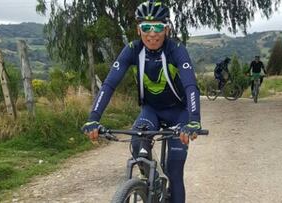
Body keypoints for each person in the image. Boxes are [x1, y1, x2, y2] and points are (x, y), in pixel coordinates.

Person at [82, 1, 202, 203]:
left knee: (175, 173)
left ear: (167, 29)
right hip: (151, 111)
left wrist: (193, 120)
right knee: (138, 143)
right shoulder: (132, 49)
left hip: (179, 113)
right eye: (146, 27)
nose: (152, 34)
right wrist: (93, 118)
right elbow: (109, 84)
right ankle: (149, 183)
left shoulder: (176, 50)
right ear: (139, 30)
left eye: (158, 27)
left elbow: (191, 86)